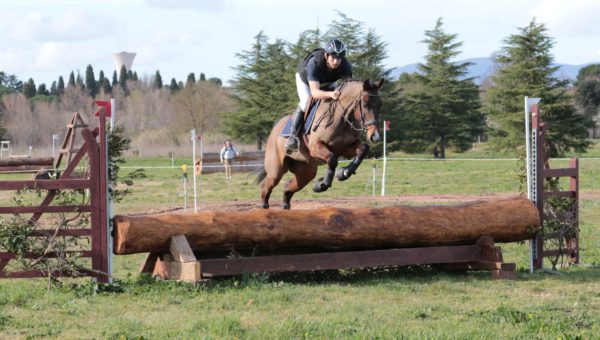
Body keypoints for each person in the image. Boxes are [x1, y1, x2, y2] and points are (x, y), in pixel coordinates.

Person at [285, 38, 353, 151]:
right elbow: (315, 93)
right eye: (333, 58)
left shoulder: (346, 66)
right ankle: (293, 136)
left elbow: (349, 88)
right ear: (326, 55)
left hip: (327, 81)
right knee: (306, 101)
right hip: (306, 80)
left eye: (339, 59)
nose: (336, 62)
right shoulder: (314, 63)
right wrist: (331, 94)